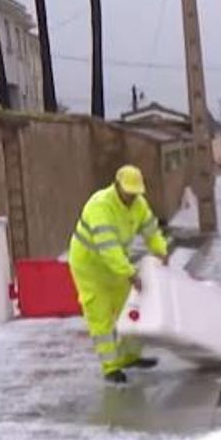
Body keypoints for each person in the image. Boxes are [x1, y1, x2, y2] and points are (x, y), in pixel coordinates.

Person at [69, 164, 169, 385]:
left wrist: (160, 251)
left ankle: (130, 357)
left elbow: (151, 230)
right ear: (116, 186)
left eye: (135, 194)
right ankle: (111, 367)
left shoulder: (139, 205)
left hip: (116, 264)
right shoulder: (100, 206)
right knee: (101, 317)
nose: (131, 198)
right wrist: (130, 273)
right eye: (128, 193)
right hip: (90, 268)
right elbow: (108, 248)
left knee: (131, 309)